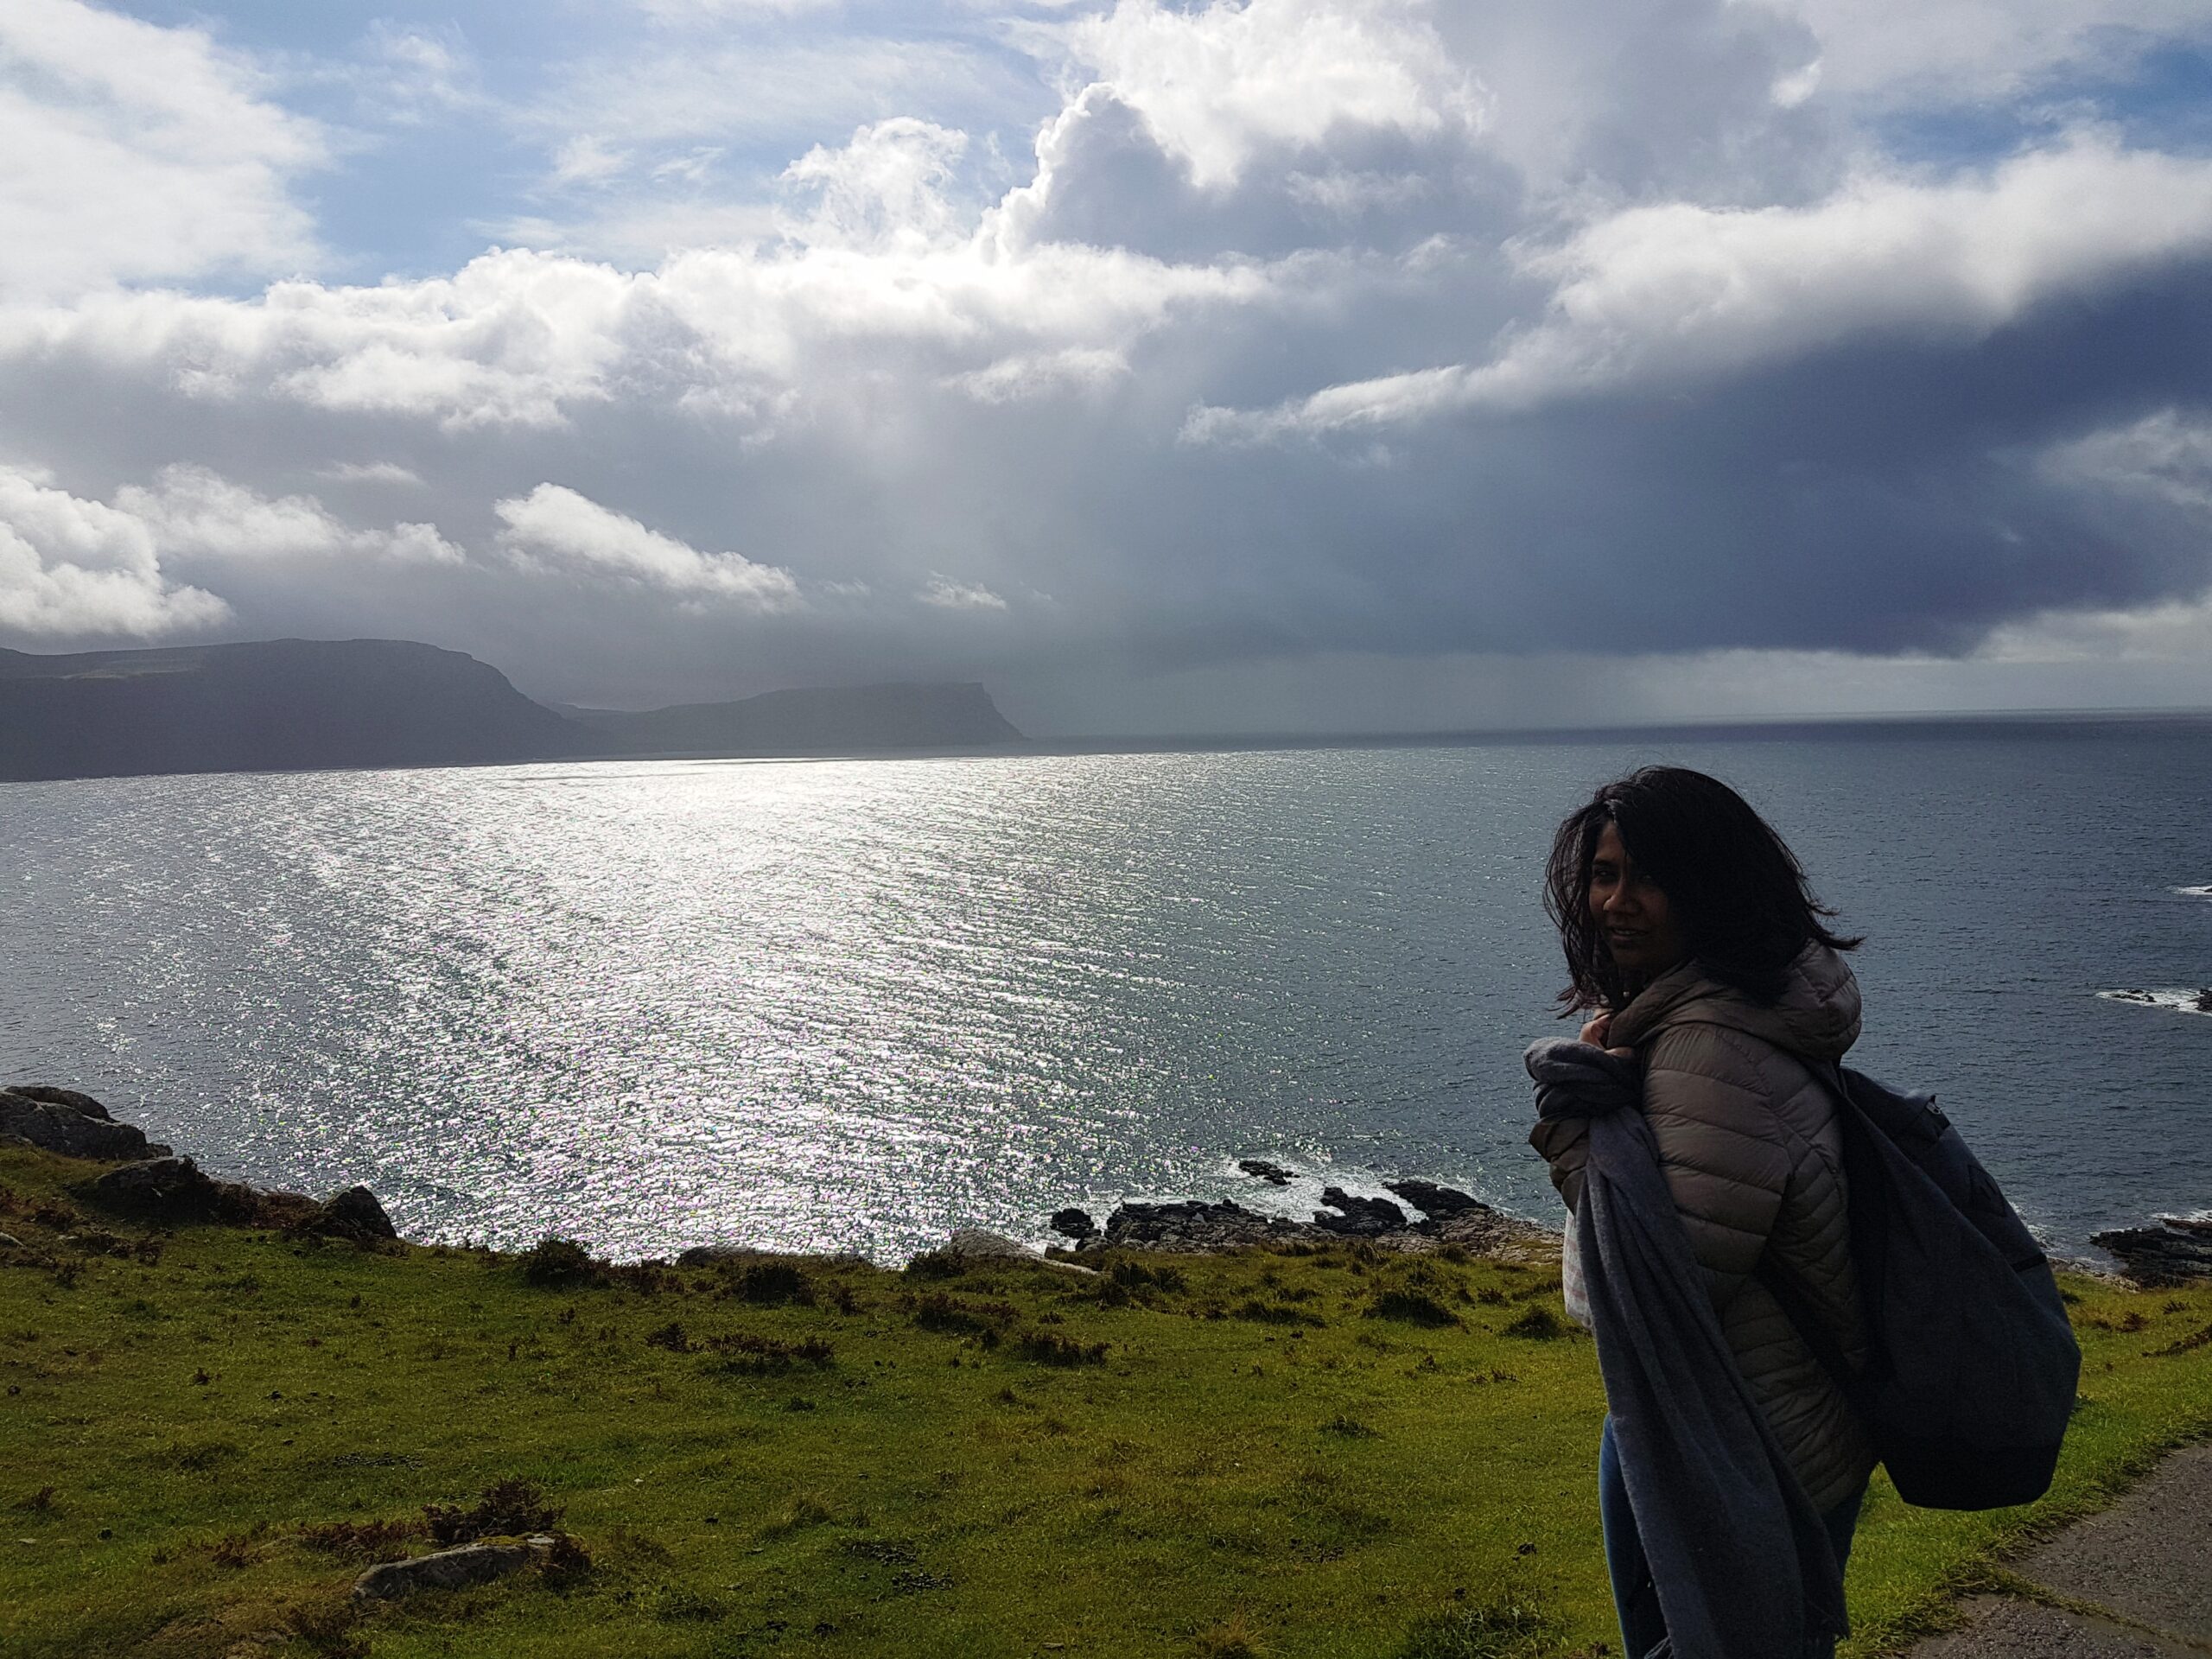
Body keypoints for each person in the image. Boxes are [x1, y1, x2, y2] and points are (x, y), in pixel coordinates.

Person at [1528, 766, 1873, 1659]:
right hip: (1771, 1416)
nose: (1617, 901)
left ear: (1712, 885)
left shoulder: (1705, 1049)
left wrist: (1580, 1115)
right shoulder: (1748, 1010)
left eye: (1649, 876)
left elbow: (1658, 1277)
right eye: (1603, 875)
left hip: (1721, 1443)